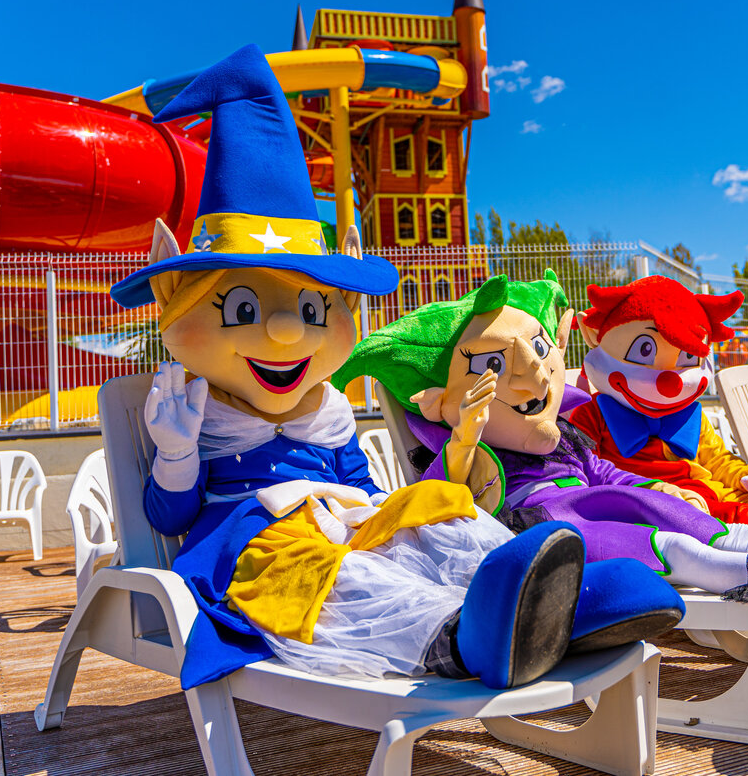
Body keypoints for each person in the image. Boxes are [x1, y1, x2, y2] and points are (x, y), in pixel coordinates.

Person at [109, 44, 681, 691]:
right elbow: (169, 517)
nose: (287, 331)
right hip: (252, 540)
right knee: (325, 576)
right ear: (174, 303)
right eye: (242, 308)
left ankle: (564, 603)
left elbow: (358, 482)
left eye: (312, 308)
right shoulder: (194, 409)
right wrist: (177, 453)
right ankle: (457, 637)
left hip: (346, 517)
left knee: (435, 505)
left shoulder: (326, 411)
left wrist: (406, 515)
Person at [336, 271, 748, 607]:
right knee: (675, 545)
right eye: (494, 363)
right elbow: (443, 503)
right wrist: (459, 445)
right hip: (555, 536)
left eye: (538, 349)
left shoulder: (566, 433)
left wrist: (667, 488)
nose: (534, 373)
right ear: (438, 401)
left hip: (639, 501)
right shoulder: (485, 447)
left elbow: (610, 474)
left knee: (696, 521)